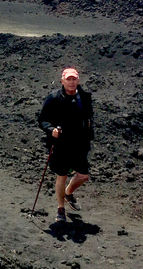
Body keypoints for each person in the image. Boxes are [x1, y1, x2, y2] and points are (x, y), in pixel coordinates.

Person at [38, 68, 94, 223]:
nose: (71, 82)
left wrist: (89, 135)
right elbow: (42, 119)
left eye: (74, 79)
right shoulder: (54, 97)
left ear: (78, 80)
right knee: (61, 176)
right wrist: (51, 129)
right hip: (61, 143)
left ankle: (68, 193)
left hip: (79, 144)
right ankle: (60, 208)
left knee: (83, 175)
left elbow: (89, 117)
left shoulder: (84, 97)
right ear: (62, 80)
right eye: (68, 79)